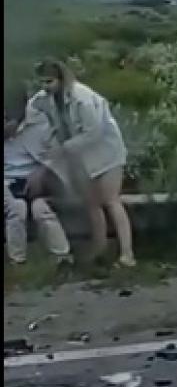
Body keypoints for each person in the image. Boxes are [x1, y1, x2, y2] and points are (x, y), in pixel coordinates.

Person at [30, 58, 136, 267]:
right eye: (42, 82)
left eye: (49, 81)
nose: (45, 87)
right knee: (91, 203)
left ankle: (127, 254)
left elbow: (94, 132)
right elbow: (35, 109)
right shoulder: (45, 98)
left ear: (61, 79)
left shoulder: (82, 98)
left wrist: (64, 148)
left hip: (106, 151)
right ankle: (99, 248)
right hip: (82, 155)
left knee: (111, 200)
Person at [4, 101, 72, 265]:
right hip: (6, 178)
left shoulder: (40, 122)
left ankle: (63, 258)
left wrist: (42, 171)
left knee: (41, 209)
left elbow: (55, 155)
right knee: (17, 209)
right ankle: (17, 260)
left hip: (34, 177)